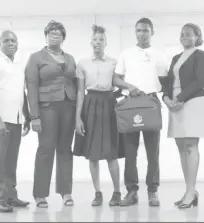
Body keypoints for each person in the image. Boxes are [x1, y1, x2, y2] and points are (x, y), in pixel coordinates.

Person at [73, 25, 138, 207]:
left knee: (111, 152)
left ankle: (117, 192)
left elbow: (118, 85)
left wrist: (126, 90)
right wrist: (77, 118)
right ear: (90, 42)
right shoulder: (82, 63)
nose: (97, 43)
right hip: (90, 105)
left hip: (109, 105)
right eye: (95, 39)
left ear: (106, 42)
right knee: (92, 154)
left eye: (101, 40)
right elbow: (80, 92)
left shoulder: (114, 63)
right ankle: (98, 193)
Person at [114, 18, 168, 207]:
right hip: (131, 103)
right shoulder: (126, 54)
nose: (142, 33)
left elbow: (166, 83)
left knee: (153, 152)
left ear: (152, 32)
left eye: (145, 30)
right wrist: (129, 86)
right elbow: (116, 79)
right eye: (138, 30)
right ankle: (131, 191)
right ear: (135, 32)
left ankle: (152, 191)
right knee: (130, 152)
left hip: (151, 103)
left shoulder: (159, 55)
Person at [25, 20, 77, 208]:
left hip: (68, 107)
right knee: (46, 148)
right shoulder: (36, 58)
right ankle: (40, 194)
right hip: (47, 108)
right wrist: (34, 116)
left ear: (64, 37)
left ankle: (66, 192)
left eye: (58, 32)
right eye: (51, 32)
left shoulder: (70, 58)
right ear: (45, 36)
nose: (55, 35)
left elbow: (77, 85)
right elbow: (31, 87)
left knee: (65, 149)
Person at [162, 23, 204, 209]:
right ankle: (189, 190)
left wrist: (180, 98)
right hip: (175, 104)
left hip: (193, 102)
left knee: (191, 145)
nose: (184, 37)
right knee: (181, 146)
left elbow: (200, 80)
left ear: (197, 37)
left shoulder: (200, 55)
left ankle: (191, 191)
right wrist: (166, 98)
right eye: (182, 34)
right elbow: (168, 80)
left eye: (189, 34)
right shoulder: (176, 57)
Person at [0, 30, 31, 212]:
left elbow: (20, 92)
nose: (10, 43)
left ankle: (10, 195)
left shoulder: (18, 64)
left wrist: (27, 115)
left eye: (13, 41)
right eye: (6, 41)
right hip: (0, 120)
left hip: (16, 119)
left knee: (11, 160)